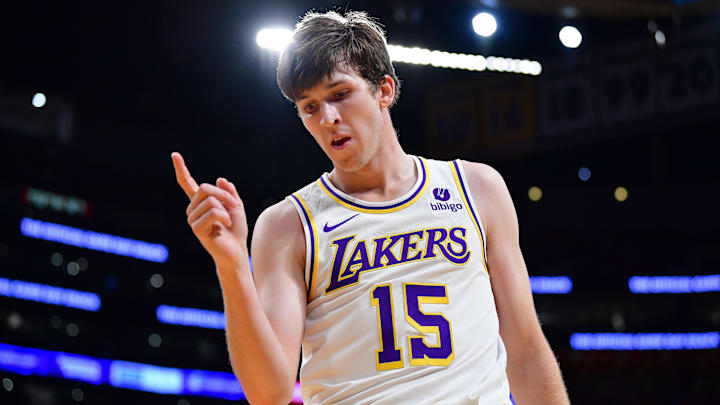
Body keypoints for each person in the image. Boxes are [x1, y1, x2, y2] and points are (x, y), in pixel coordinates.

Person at [171, 10, 570, 405]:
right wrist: (232, 265)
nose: (327, 118)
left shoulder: (477, 188)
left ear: (384, 90)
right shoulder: (286, 224)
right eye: (309, 107)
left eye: (340, 94)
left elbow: (526, 350)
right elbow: (268, 391)